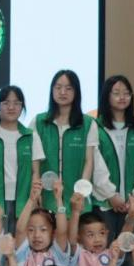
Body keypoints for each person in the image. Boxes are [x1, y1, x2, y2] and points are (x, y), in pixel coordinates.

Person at [92, 75, 134, 239]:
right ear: (106, 96)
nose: (122, 97)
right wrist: (111, 195)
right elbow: (95, 165)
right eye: (116, 93)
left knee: (129, 248)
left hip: (133, 203)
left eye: (127, 93)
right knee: (105, 249)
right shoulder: (96, 127)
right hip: (105, 202)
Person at [32, 69, 97, 212]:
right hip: (46, 199)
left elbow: (89, 161)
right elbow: (34, 163)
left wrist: (81, 192)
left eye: (68, 88)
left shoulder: (88, 123)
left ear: (76, 92)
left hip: (76, 198)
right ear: (52, 90)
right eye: (58, 87)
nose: (63, 92)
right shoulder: (38, 121)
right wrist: (36, 191)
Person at [10, 177, 70, 266]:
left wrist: (59, 199)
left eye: (43, 230)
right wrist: (31, 200)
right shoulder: (23, 255)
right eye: (31, 230)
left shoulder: (57, 255)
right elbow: (20, 229)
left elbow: (62, 231)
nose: (37, 235)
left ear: (52, 233)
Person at [0, 85, 34, 224]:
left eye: (16, 103)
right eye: (6, 103)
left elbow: (36, 171)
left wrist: (34, 198)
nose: (11, 107)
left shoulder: (30, 136)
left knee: (21, 237)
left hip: (23, 201)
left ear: (22, 107)